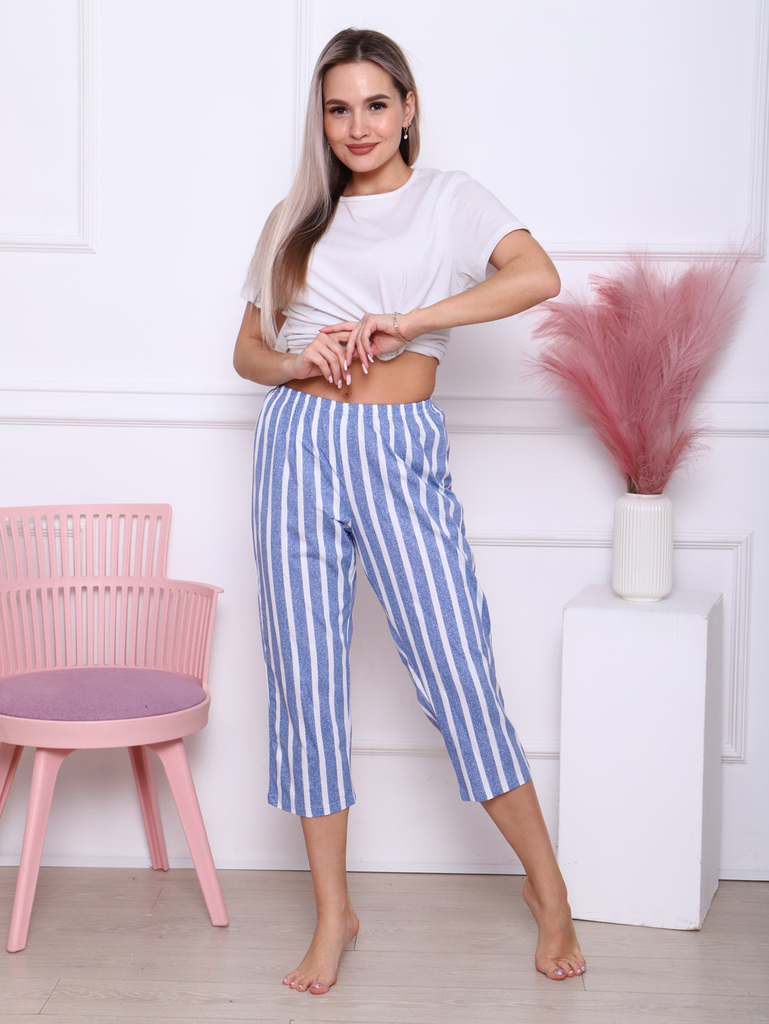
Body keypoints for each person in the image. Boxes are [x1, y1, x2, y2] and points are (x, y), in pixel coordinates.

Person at [234, 27, 586, 995]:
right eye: (337, 109)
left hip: (395, 448)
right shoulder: (292, 219)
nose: (357, 126)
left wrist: (411, 321)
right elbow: (246, 352)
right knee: (305, 679)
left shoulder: (448, 199)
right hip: (294, 447)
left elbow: (537, 275)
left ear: (407, 108)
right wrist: (299, 359)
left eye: (375, 105)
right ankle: (333, 914)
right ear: (321, 119)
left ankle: (547, 887)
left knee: (456, 668)